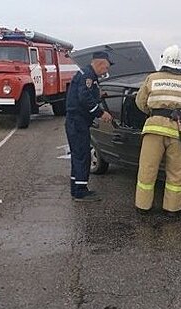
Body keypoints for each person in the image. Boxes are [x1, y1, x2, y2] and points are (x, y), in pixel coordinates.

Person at [134, 45, 181, 214]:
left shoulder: (152, 78)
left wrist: (154, 113)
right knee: (177, 173)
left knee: (147, 169)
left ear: (164, 60)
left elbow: (140, 102)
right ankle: (172, 209)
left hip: (154, 129)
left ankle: (143, 207)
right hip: (179, 132)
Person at [65, 51, 114, 202]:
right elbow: (84, 97)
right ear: (99, 64)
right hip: (77, 121)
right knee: (82, 156)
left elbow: (87, 95)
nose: (106, 72)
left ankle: (77, 187)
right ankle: (80, 191)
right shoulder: (88, 76)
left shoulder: (88, 75)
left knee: (78, 156)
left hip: (76, 121)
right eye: (106, 68)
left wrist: (99, 96)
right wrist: (100, 114)